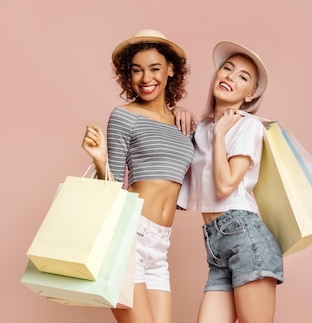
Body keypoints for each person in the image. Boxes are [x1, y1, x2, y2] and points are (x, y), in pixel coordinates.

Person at [82, 29, 195, 323]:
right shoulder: (124, 116)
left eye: (155, 68)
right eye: (137, 70)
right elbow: (113, 189)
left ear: (171, 70)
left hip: (160, 246)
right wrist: (100, 161)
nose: (146, 79)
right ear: (128, 75)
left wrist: (181, 110)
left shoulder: (184, 124)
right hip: (129, 235)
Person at [175, 41, 284, 323]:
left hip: (246, 239)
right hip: (216, 246)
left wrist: (221, 135)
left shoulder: (248, 126)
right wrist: (178, 112)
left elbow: (225, 187)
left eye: (243, 77)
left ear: (250, 95)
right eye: (227, 69)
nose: (230, 77)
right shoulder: (202, 129)